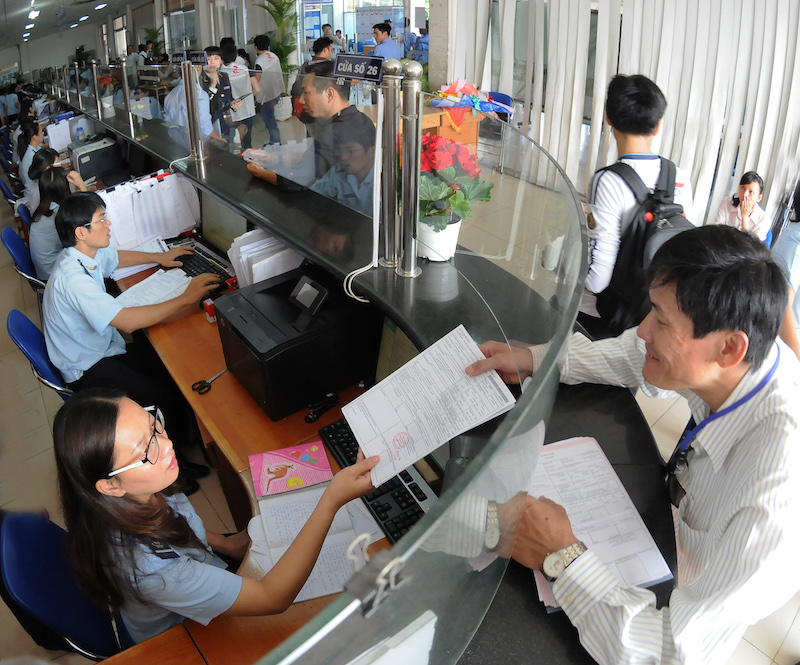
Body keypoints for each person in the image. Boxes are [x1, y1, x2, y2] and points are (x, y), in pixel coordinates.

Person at [466, 225, 800, 665]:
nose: (642, 331)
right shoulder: (747, 354)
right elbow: (635, 356)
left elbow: (670, 652)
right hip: (680, 522)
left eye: (661, 321)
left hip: (700, 577)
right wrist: (540, 359)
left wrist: (562, 557)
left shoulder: (772, 504)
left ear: (728, 349)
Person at [53, 388, 379, 643]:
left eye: (154, 425)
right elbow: (273, 598)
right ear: (111, 485)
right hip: (188, 632)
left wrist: (226, 543)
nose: (166, 445)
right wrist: (330, 501)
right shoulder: (154, 573)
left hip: (198, 574)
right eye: (146, 449)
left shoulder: (142, 488)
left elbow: (176, 522)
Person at [43, 192, 220, 490]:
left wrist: (159, 258)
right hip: (87, 367)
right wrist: (185, 297)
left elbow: (115, 257)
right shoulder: (72, 279)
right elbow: (127, 322)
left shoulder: (83, 254)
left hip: (101, 348)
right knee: (157, 393)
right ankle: (172, 474)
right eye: (101, 219)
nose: (109, 224)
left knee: (167, 367)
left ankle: (182, 440)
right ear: (81, 232)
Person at [579, 74, 695, 339]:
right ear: (657, 126)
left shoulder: (608, 181)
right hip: (653, 313)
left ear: (608, 118)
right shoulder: (679, 176)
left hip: (604, 315)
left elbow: (596, 280)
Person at [245, 60, 374, 189]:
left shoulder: (333, 133)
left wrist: (260, 172)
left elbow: (296, 183)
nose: (301, 100)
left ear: (329, 94)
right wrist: (275, 158)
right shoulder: (362, 120)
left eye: (306, 92)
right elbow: (314, 159)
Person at [30, 166, 87, 280]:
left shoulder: (45, 208)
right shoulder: (59, 213)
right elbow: (89, 215)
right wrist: (81, 186)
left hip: (46, 266)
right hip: (53, 273)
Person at [310, 119, 376, 215]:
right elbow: (311, 197)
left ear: (372, 151)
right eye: (340, 151)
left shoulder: (384, 182)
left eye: (350, 151)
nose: (343, 157)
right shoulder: (338, 174)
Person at [289, 36, 334, 132]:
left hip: (306, 110)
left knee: (311, 134)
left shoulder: (305, 66)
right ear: (325, 50)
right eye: (331, 50)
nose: (331, 52)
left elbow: (297, 86)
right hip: (323, 110)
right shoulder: (329, 68)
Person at [713, 171, 770, 241]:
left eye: (751, 192)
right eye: (743, 188)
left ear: (759, 197)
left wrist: (745, 217)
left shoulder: (764, 219)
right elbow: (716, 231)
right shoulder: (726, 202)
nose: (745, 194)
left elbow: (750, 246)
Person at [220, 43, 256, 149]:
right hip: (248, 110)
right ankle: (248, 157)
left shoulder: (221, 73)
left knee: (229, 141)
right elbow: (257, 89)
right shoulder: (245, 68)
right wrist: (248, 99)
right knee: (247, 141)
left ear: (221, 58)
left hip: (232, 112)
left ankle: (230, 157)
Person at [251, 34, 284, 146]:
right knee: (271, 118)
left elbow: (256, 80)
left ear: (255, 47)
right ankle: (275, 142)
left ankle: (276, 143)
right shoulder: (273, 56)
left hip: (266, 96)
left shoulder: (259, 62)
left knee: (270, 120)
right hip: (276, 92)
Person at [200, 46, 236, 137]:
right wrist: (212, 86)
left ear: (221, 60)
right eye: (209, 59)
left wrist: (234, 103)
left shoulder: (224, 76)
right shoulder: (200, 79)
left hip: (225, 121)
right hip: (210, 123)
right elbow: (202, 103)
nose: (212, 62)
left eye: (216, 58)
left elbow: (228, 96)